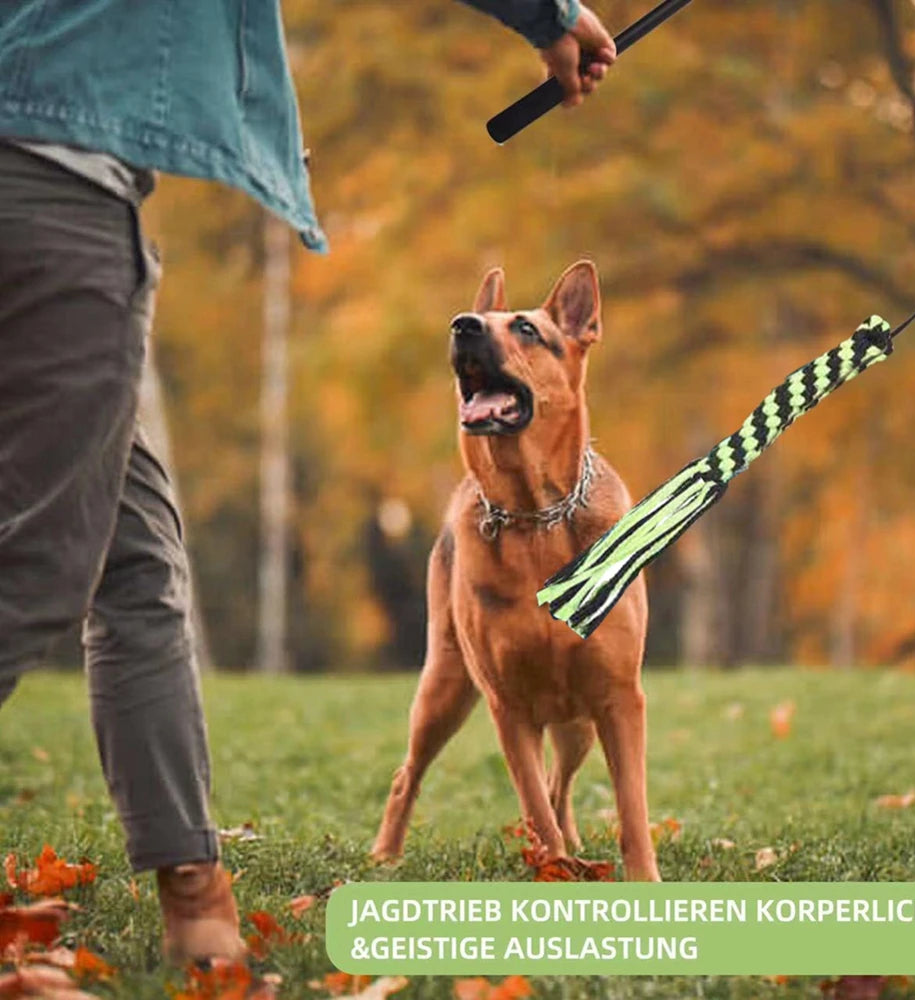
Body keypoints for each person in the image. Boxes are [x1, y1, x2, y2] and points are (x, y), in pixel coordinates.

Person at [0, 0, 616, 964]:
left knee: (137, 566)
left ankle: (197, 906)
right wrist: (549, 14)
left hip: (54, 184)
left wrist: (256, 134)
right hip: (50, 194)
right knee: (40, 572)